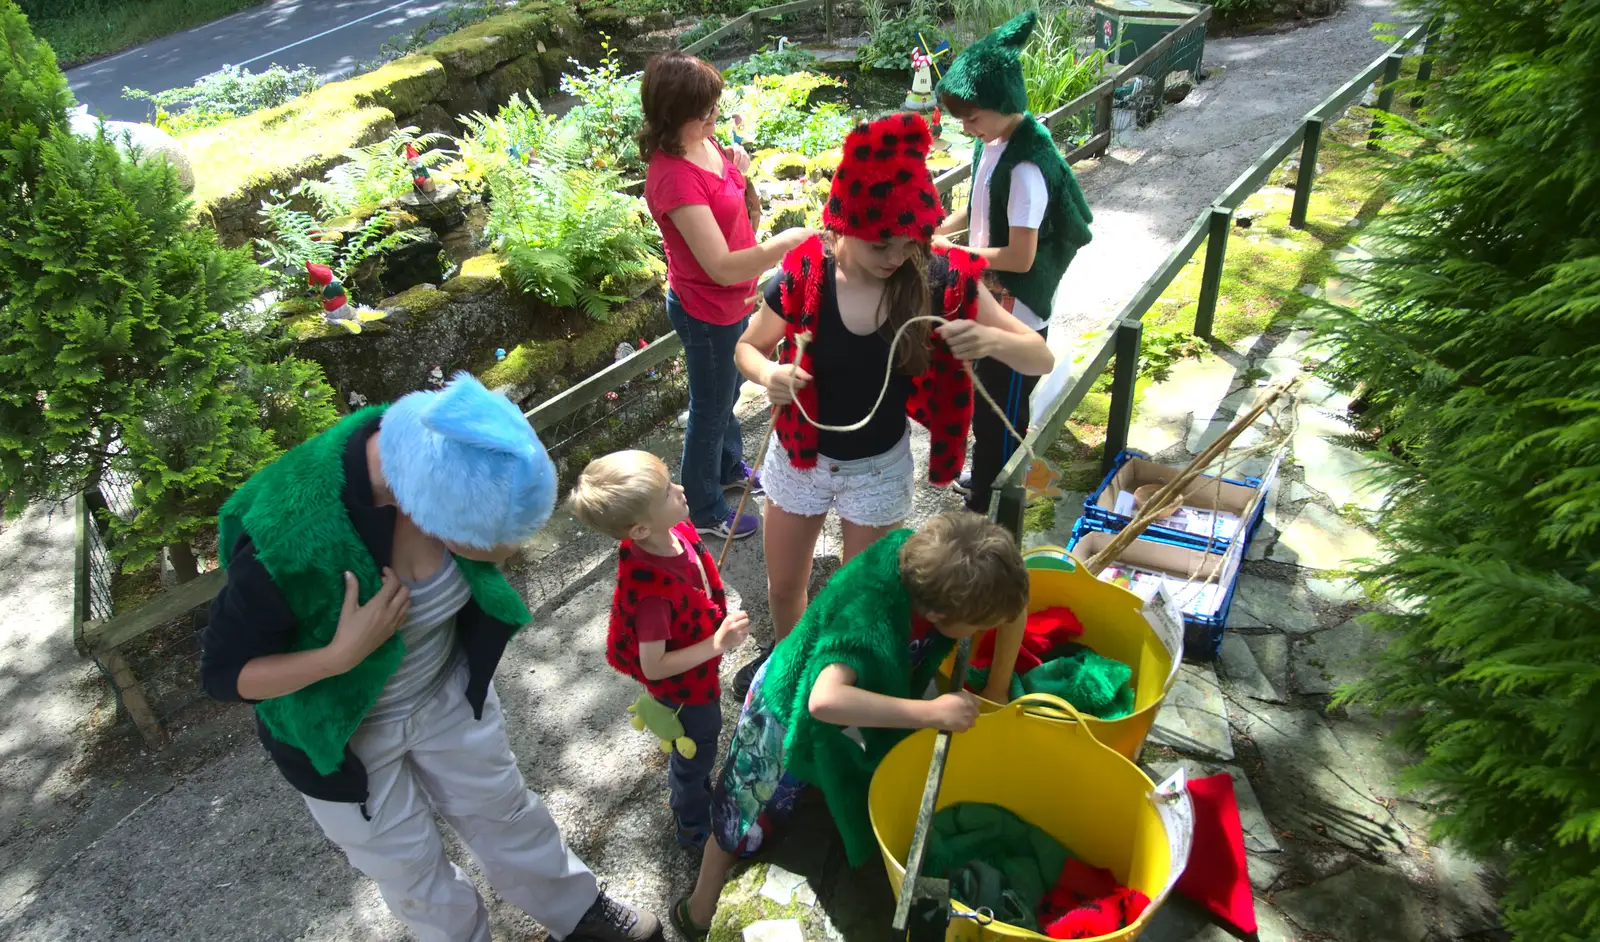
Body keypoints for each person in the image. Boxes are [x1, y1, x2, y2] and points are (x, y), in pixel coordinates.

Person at [199, 374, 660, 942]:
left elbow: (494, 543)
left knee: (506, 811)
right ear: (411, 501)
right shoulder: (286, 535)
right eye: (476, 539)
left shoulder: (441, 442)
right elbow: (224, 675)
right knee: (409, 869)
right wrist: (338, 656)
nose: (495, 556)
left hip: (444, 692)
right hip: (348, 735)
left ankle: (578, 912)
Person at [729, 111, 1054, 696]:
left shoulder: (937, 276)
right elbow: (746, 349)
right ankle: (791, 673)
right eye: (883, 242)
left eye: (910, 241)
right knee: (784, 588)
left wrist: (991, 340)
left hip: (878, 466)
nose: (897, 256)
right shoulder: (806, 272)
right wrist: (768, 373)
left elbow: (1039, 358)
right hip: (800, 457)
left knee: (863, 598)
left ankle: (849, 692)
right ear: (843, 223)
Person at [669, 511, 1032, 939]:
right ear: (935, 613)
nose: (987, 631)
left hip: (837, 708)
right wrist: (932, 713)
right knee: (741, 818)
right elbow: (824, 700)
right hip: (784, 712)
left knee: (820, 787)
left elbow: (1012, 607)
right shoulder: (869, 613)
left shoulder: (935, 561)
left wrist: (998, 686)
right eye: (980, 627)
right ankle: (699, 909)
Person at [641, 50, 818, 542]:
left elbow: (736, 208)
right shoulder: (672, 177)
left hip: (736, 297)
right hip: (707, 307)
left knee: (729, 393)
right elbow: (718, 267)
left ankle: (729, 468)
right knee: (711, 405)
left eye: (715, 108)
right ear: (675, 113)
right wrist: (783, 245)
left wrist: (737, 167)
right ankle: (704, 506)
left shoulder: (704, 142)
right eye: (705, 111)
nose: (715, 117)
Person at [932, 10, 1094, 515]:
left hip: (1018, 310)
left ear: (1003, 103)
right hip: (990, 293)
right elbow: (978, 206)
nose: (965, 127)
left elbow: (1021, 257)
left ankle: (993, 499)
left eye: (971, 116)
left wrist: (951, 253)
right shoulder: (994, 142)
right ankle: (984, 477)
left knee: (1002, 412)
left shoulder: (1026, 167)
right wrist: (941, 230)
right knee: (985, 402)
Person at [567, 450, 751, 850]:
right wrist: (716, 643)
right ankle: (691, 822)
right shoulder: (651, 597)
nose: (682, 491)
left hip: (697, 668)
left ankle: (690, 792)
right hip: (685, 692)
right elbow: (653, 667)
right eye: (668, 492)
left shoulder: (671, 534)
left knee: (697, 745)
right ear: (638, 529)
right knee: (696, 753)